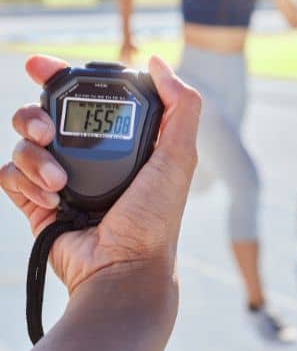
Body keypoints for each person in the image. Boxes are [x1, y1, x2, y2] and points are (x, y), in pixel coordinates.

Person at [117, 0, 297, 342]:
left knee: (200, 185)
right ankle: (258, 306)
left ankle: (140, 183)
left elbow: (295, 18)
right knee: (246, 180)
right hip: (195, 82)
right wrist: (126, 36)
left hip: (237, 83)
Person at [0, 54, 201, 350]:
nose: (98, 129)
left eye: (109, 119)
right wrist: (131, 269)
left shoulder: (64, 86)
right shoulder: (139, 94)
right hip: (69, 199)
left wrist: (128, 268)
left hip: (68, 199)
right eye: (88, 118)